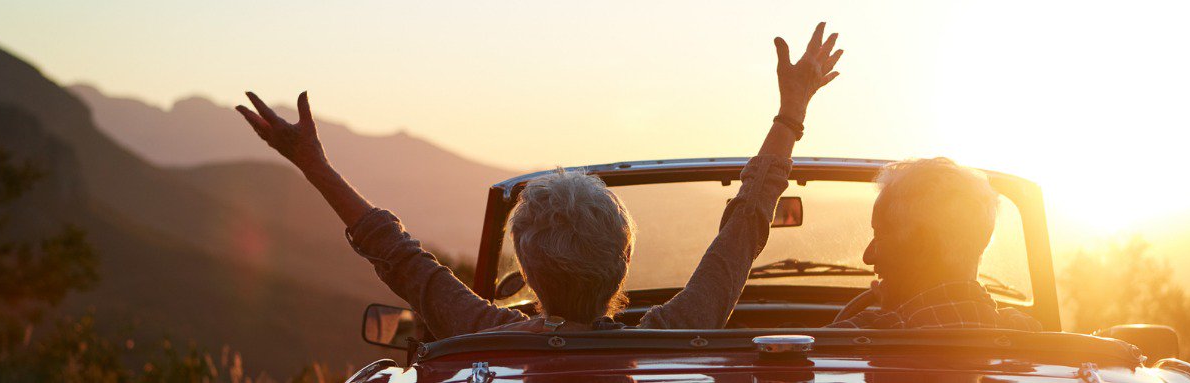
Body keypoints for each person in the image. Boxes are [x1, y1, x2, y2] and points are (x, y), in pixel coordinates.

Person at [234, 23, 844, 337]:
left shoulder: (490, 336)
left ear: (526, 272)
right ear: (624, 259)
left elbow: (393, 251)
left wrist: (313, 164)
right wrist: (791, 113)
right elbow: (746, 225)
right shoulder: (678, 331)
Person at [826, 158, 1042, 331]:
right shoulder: (1029, 335)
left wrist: (892, 313)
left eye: (880, 235)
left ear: (921, 245)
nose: (868, 255)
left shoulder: (854, 335)